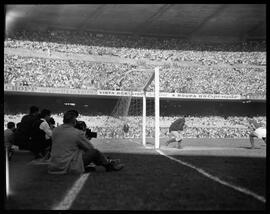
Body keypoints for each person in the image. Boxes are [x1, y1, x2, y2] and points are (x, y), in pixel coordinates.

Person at [48, 110, 124, 174]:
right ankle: (109, 166)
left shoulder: (55, 130)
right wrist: (85, 139)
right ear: (74, 121)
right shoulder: (76, 133)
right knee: (94, 152)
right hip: (68, 166)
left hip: (54, 166)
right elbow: (90, 149)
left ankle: (105, 162)